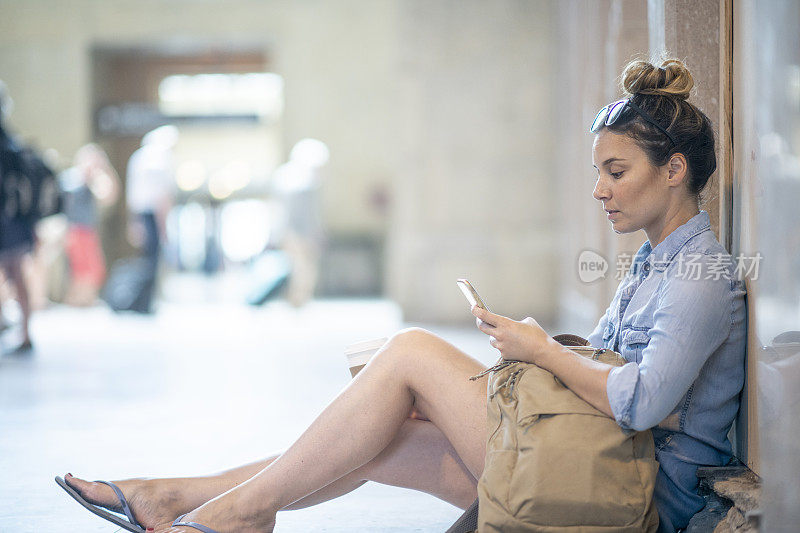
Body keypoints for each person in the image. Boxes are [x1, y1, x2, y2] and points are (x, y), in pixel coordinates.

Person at [60, 58, 746, 533]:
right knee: (380, 436)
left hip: (634, 493)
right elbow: (613, 371)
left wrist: (539, 348)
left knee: (411, 350)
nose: (600, 189)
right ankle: (186, 498)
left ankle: (223, 512)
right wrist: (534, 351)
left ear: (675, 169)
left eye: (616, 170)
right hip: (596, 458)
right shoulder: (656, 262)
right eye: (599, 170)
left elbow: (640, 401)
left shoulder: (702, 276)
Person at [60, 143, 120, 306]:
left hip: (88, 230)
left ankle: (86, 300)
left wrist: (105, 171)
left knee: (93, 269)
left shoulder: (94, 181)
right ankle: (75, 301)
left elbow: (109, 196)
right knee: (80, 270)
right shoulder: (72, 178)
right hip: (74, 230)